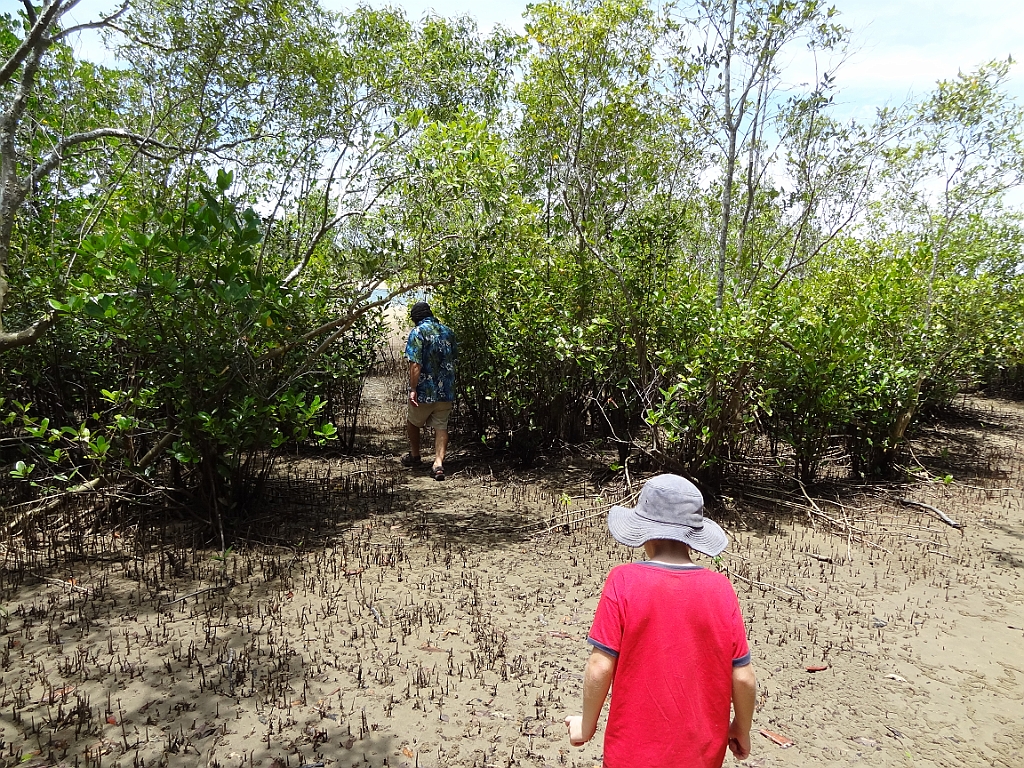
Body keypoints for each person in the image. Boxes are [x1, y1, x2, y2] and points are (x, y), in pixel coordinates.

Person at [564, 473, 756, 768]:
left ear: (646, 532)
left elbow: (599, 665)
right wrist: (741, 727)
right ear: (693, 537)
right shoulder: (721, 589)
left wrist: (586, 726)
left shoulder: (623, 581)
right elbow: (743, 677)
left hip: (630, 756)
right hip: (702, 757)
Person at [402, 301, 457, 481]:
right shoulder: (448, 332)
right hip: (446, 390)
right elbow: (453, 358)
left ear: (415, 318)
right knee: (441, 426)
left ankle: (415, 455)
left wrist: (413, 388)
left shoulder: (417, 332)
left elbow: (415, 364)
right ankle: (438, 464)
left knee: (413, 422)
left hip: (425, 391)